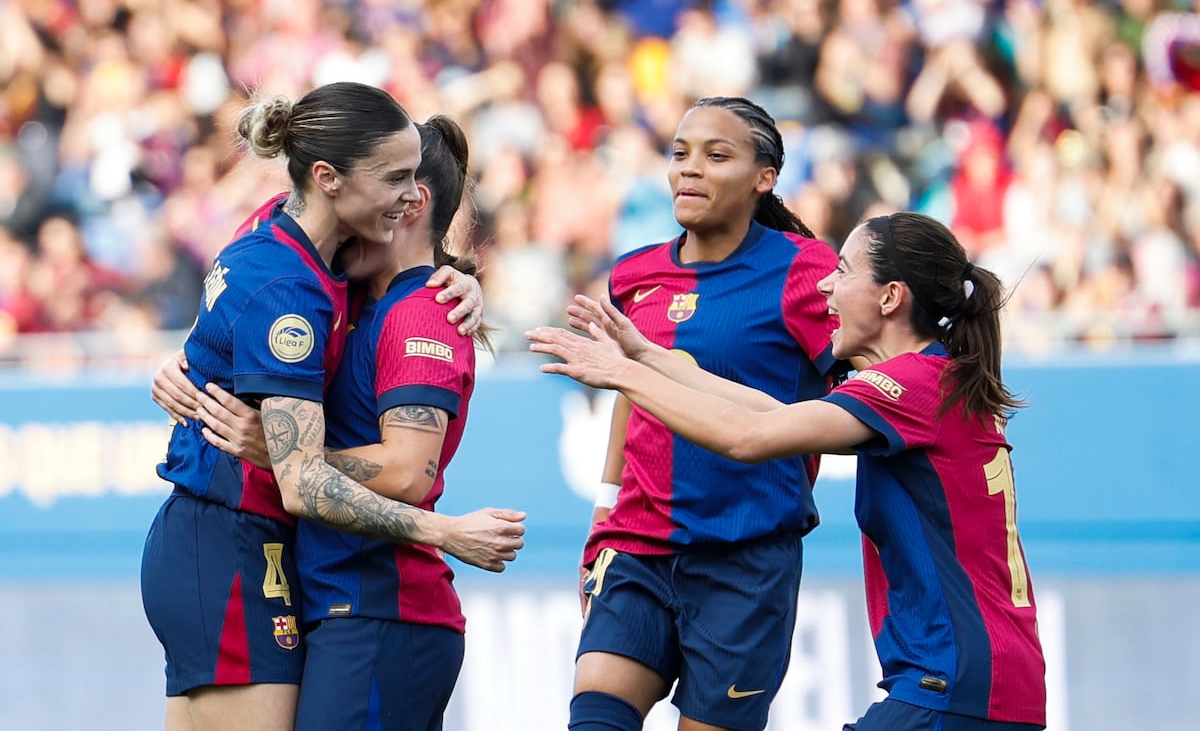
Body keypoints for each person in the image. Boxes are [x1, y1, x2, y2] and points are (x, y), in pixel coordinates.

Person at [527, 210, 1047, 731]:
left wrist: (621, 374)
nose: (826, 284)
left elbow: (746, 437)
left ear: (890, 297)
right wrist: (652, 359)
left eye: (843, 271)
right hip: (976, 685)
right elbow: (774, 416)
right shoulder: (928, 380)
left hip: (953, 689)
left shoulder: (912, 383)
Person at [140, 82, 526, 731]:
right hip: (233, 542)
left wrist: (452, 276)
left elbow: (230, 331)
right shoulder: (298, 286)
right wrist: (448, 532)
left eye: (414, 184)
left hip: (265, 557)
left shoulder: (286, 232)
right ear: (330, 181)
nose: (410, 199)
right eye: (393, 180)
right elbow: (302, 477)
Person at [560, 96, 845, 731]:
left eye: (717, 156)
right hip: (638, 543)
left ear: (763, 177)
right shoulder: (635, 274)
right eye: (681, 154)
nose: (690, 170)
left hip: (746, 555)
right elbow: (630, 393)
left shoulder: (808, 271)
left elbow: (859, 395)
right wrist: (603, 515)